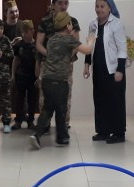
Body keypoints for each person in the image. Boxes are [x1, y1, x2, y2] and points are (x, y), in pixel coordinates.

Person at [29, 12, 95, 150]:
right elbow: (87, 50)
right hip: (60, 82)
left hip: (47, 80)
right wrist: (91, 40)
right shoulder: (69, 39)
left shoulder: (52, 39)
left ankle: (37, 134)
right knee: (61, 109)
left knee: (47, 109)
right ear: (67, 25)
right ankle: (62, 137)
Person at [85, 0, 127, 144]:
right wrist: (87, 64)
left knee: (115, 101)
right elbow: (89, 45)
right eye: (97, 6)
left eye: (102, 6)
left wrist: (120, 70)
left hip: (113, 70)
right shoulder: (93, 24)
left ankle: (118, 133)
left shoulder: (117, 24)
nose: (99, 9)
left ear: (110, 8)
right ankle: (103, 131)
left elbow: (122, 49)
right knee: (99, 100)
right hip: (98, 69)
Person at [36, 0, 80, 130]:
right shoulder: (45, 21)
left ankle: (63, 125)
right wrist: (51, 55)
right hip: (48, 64)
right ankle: (44, 124)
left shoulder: (73, 21)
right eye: (60, 3)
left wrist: (64, 57)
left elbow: (76, 44)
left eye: (66, 3)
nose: (63, 6)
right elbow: (38, 44)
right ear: (53, 5)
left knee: (65, 95)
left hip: (65, 65)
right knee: (45, 96)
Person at [11, 20, 38, 131]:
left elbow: (39, 62)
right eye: (23, 32)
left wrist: (39, 77)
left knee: (32, 99)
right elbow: (16, 60)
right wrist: (13, 75)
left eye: (27, 31)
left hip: (33, 76)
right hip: (21, 75)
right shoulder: (18, 45)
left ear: (32, 31)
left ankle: (30, 121)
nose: (25, 34)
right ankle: (18, 121)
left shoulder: (37, 45)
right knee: (19, 99)